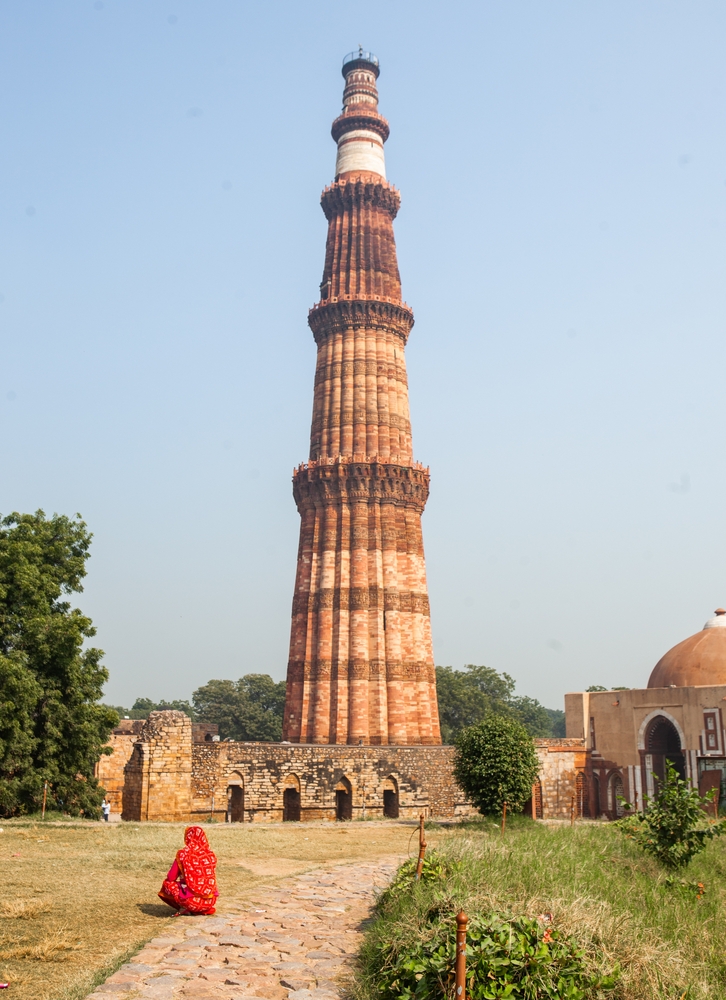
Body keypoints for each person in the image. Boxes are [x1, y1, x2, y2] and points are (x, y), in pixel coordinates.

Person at [158, 825, 218, 916]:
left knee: (168, 884)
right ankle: (200, 908)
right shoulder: (210, 855)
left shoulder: (183, 854)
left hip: (192, 902)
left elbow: (171, 877)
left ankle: (185, 907)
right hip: (210, 901)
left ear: (188, 838)